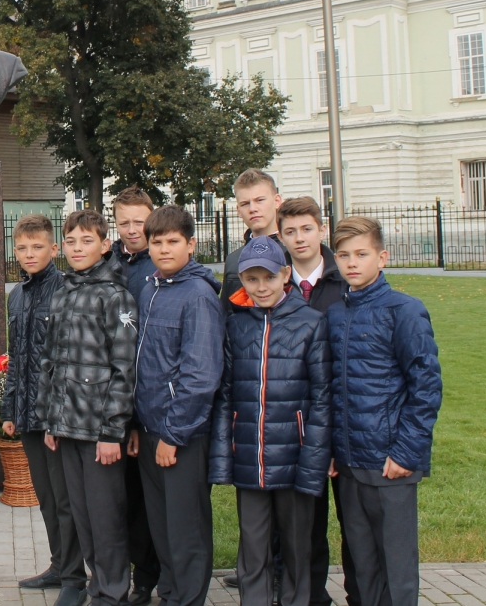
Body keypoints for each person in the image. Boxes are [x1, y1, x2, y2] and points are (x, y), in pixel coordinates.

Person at [210, 238, 331, 606]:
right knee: (253, 549)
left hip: (295, 457)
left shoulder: (311, 323)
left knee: (296, 549)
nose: (261, 287)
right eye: (252, 279)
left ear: (285, 275)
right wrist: (224, 456)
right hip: (251, 458)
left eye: (269, 278)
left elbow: (322, 398)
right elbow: (226, 394)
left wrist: (314, 457)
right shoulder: (236, 325)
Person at [328, 218, 441, 606]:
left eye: (361, 254)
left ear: (382, 257)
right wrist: (332, 449)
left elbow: (425, 387)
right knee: (362, 566)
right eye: (343, 255)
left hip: (390, 461)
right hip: (349, 462)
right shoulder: (335, 314)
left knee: (396, 565)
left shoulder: (404, 311)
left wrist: (406, 452)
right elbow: (332, 388)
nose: (352, 263)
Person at [38, 209, 137, 606]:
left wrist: (113, 431)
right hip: (67, 426)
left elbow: (124, 368)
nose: (77, 248)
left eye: (87, 241)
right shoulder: (63, 292)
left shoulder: (115, 296)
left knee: (105, 517)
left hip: (100, 431)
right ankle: (98, 587)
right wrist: (51, 420)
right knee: (83, 517)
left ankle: (113, 592)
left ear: (105, 245)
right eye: (71, 241)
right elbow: (51, 363)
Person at [133, 206, 224, 606]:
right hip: (150, 429)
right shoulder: (150, 289)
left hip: (181, 435)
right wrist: (139, 425)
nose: (164, 249)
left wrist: (173, 434)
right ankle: (170, 593)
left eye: (173, 241)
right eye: (157, 242)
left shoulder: (199, 296)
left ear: (191, 244)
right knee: (162, 525)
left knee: (186, 529)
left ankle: (188, 597)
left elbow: (200, 375)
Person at [0, 215, 86, 606]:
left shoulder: (66, 290)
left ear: (54, 249)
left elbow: (70, 360)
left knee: (65, 499)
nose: (29, 254)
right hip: (28, 413)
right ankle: (59, 564)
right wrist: (10, 409)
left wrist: (59, 413)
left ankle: (75, 580)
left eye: (37, 247)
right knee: (47, 497)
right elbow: (16, 357)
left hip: (57, 416)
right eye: (22, 248)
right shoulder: (17, 296)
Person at [277, 197, 357, 606]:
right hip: (296, 425)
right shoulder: (275, 284)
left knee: (355, 523)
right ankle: (309, 596)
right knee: (304, 526)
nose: (299, 238)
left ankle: (361, 593)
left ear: (321, 230)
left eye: (306, 229)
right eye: (290, 232)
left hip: (345, 421)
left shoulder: (346, 281)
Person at [110, 186, 162, 606]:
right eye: (123, 222)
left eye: (138, 222)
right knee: (121, 497)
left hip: (148, 397)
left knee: (149, 501)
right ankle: (123, 572)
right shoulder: (109, 262)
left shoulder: (159, 264)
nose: (131, 230)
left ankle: (147, 577)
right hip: (114, 398)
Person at [220, 169, 285, 315]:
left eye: (259, 200)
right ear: (238, 210)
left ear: (277, 201)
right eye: (245, 204)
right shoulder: (233, 260)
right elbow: (225, 314)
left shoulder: (294, 253)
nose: (253, 209)